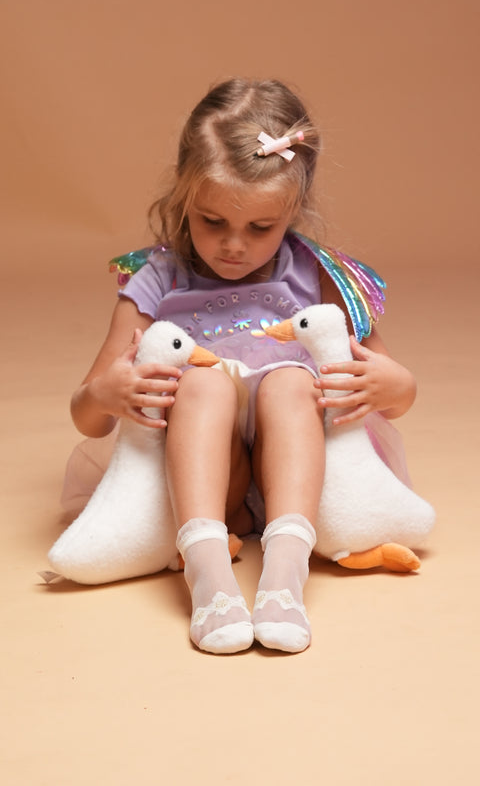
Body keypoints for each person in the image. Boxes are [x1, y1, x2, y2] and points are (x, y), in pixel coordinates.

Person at [70, 78, 416, 655]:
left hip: (300, 469)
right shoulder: (157, 279)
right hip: (207, 475)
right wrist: (110, 392)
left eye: (260, 228)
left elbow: (394, 395)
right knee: (203, 383)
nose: (234, 246)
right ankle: (209, 574)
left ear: (294, 210)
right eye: (212, 222)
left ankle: (284, 573)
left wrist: (395, 383)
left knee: (288, 382)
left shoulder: (317, 276)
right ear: (183, 199)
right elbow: (89, 417)